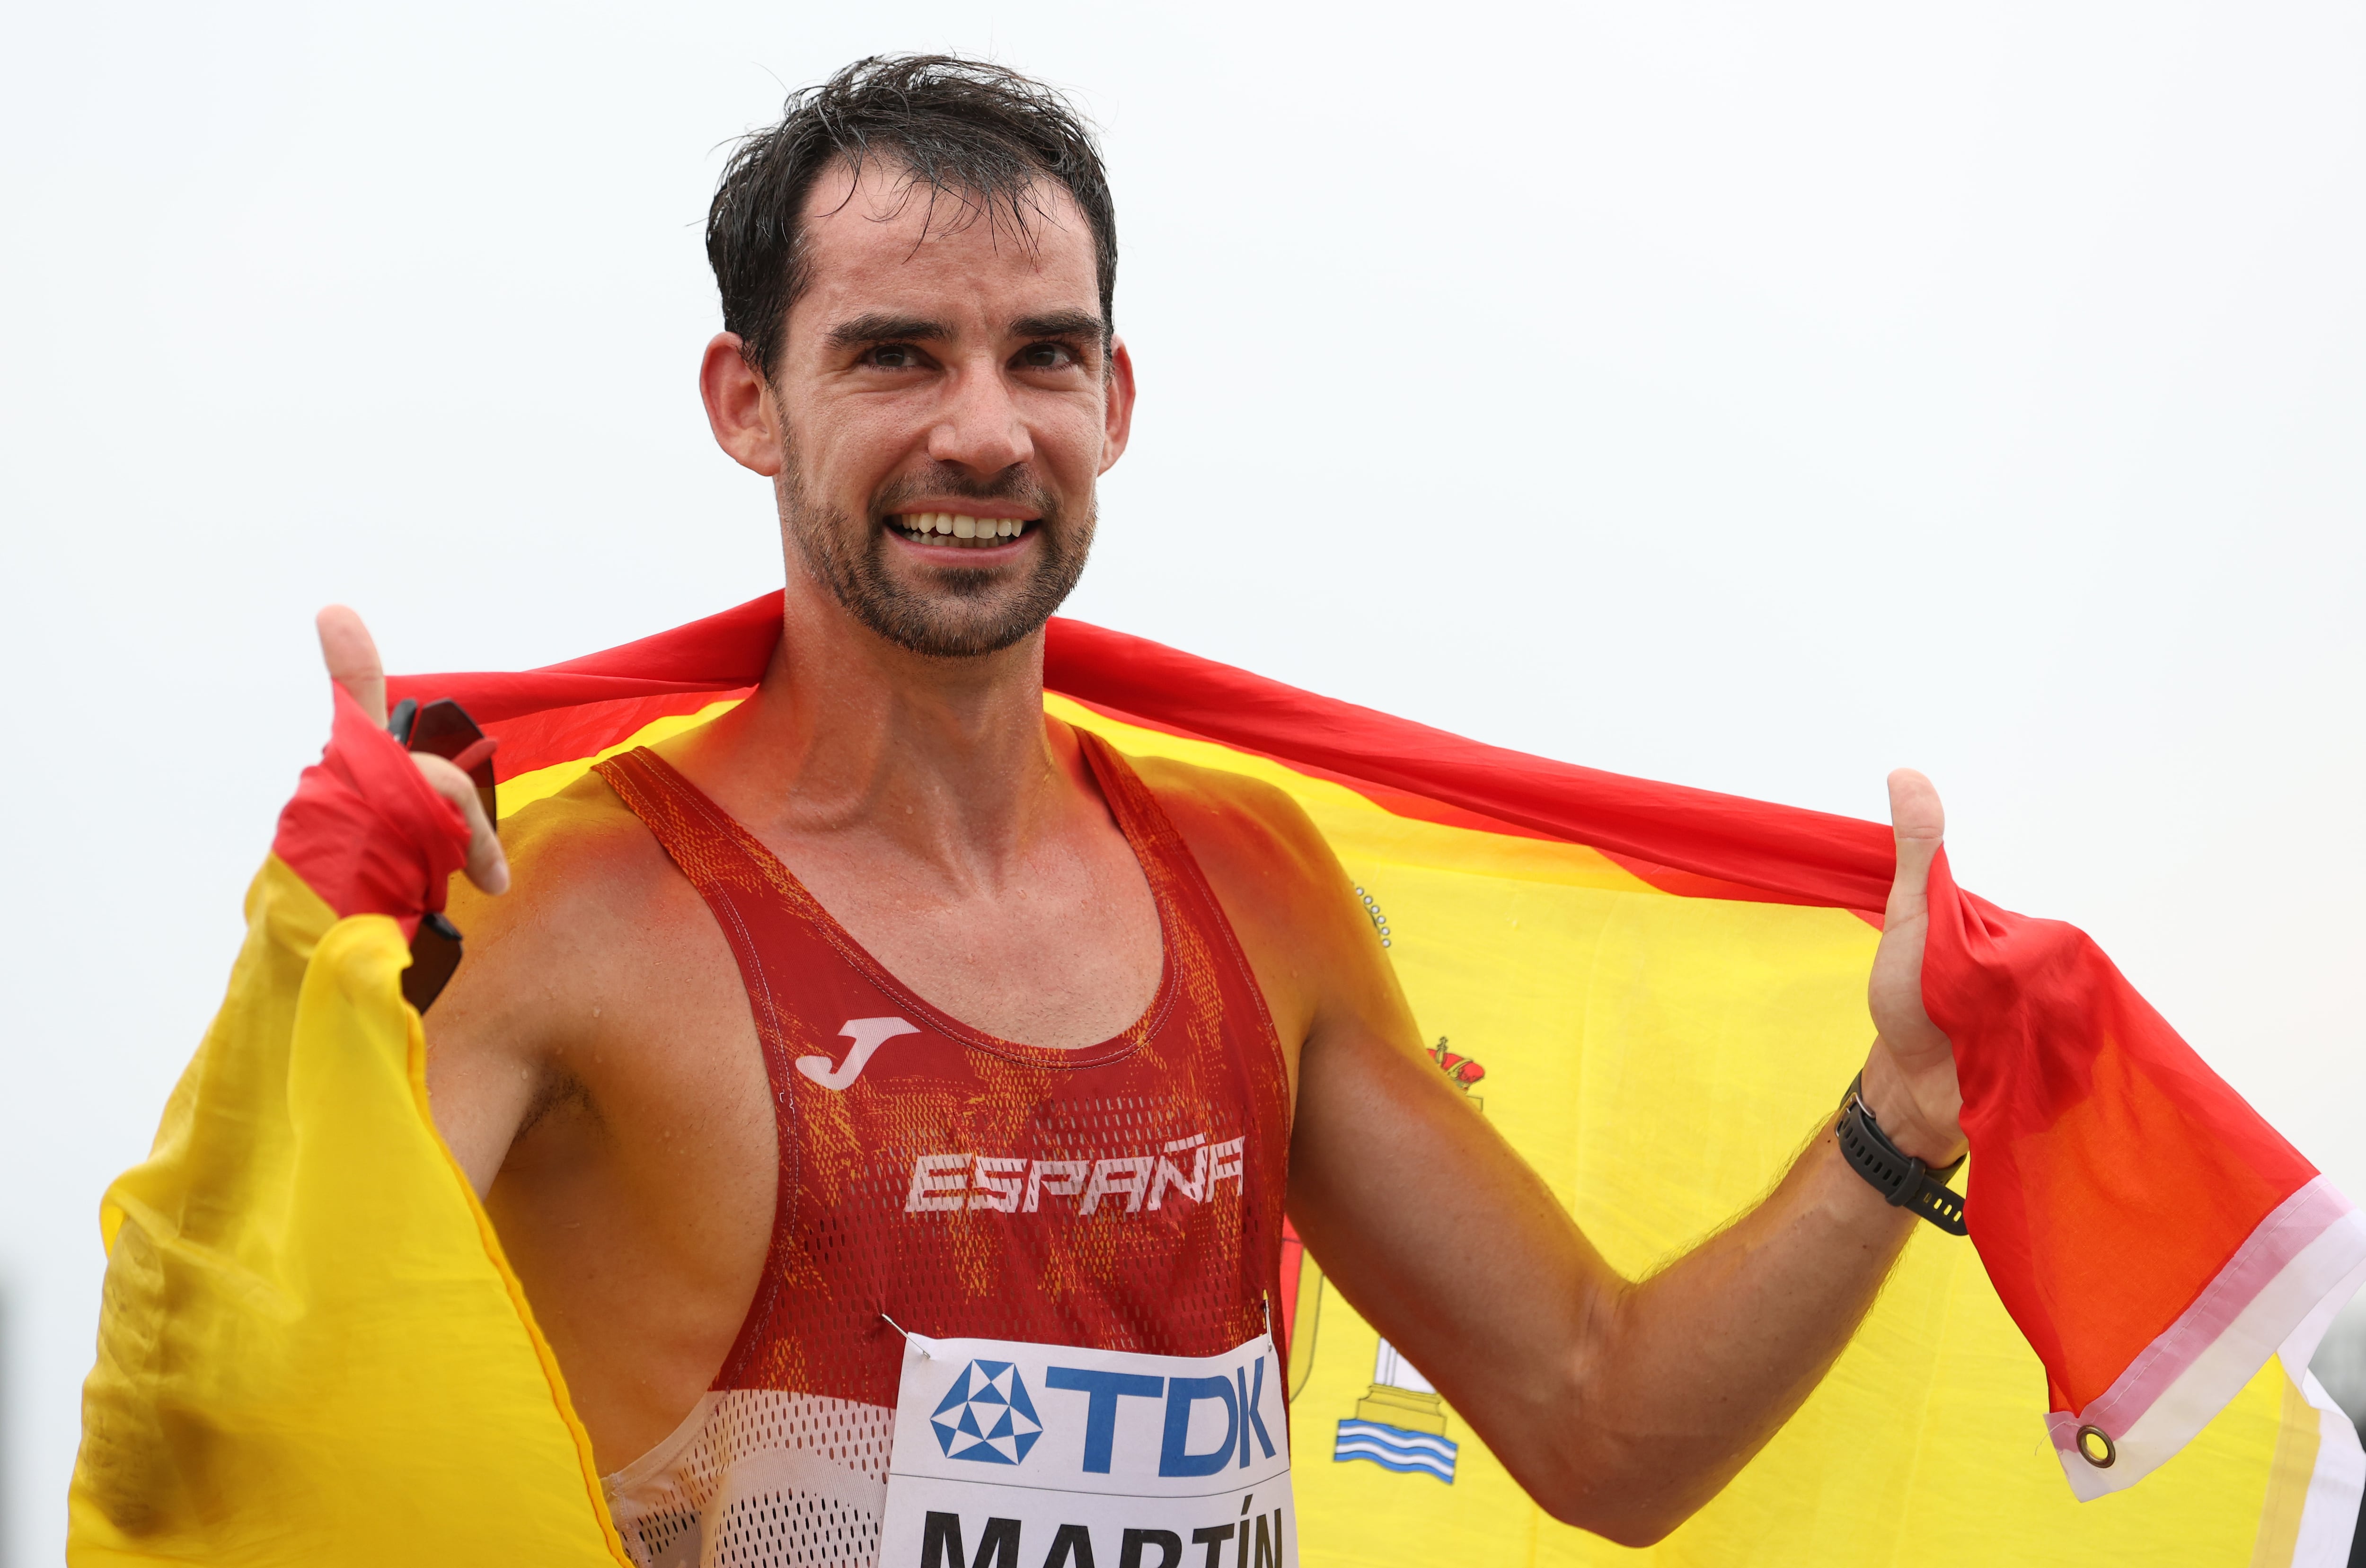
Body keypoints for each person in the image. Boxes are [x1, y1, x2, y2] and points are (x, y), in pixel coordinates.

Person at [315, 54, 1968, 1567]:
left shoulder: (1253, 886)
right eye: (895, 355)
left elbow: (1603, 1424)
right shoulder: (563, 912)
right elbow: (271, 1414)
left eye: (1044, 356)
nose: (984, 429)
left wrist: (1903, 1111)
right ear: (747, 401)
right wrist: (316, 966)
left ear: (1114, 401)